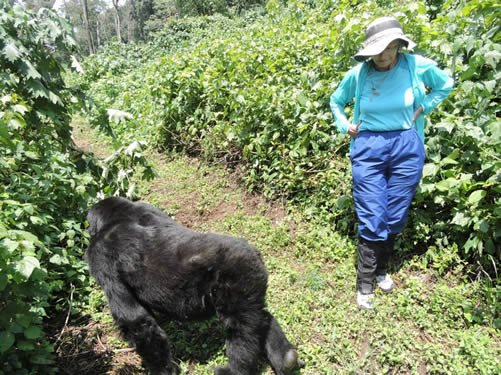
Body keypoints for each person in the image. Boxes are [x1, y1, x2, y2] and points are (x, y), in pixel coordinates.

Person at [330, 16, 453, 310]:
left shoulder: (414, 66)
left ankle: (382, 269)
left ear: (399, 45)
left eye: (389, 48)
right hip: (369, 146)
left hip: (406, 146)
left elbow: (445, 84)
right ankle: (365, 282)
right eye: (377, 50)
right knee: (373, 212)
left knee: (395, 213)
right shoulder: (359, 74)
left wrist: (425, 107)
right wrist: (343, 123)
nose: (383, 55)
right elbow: (336, 100)